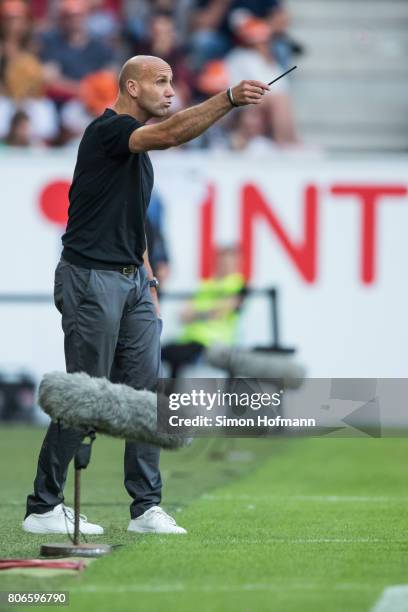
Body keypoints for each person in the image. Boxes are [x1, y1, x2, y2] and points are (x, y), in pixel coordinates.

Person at [22, 53, 269, 536]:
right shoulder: (107, 131)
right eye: (161, 82)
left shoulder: (137, 155)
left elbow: (132, 229)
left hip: (133, 282)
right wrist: (229, 98)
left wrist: (148, 282)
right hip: (90, 278)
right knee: (86, 393)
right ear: (132, 88)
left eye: (173, 82)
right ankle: (43, 506)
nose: (170, 90)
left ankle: (146, 509)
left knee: (148, 395)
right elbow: (173, 133)